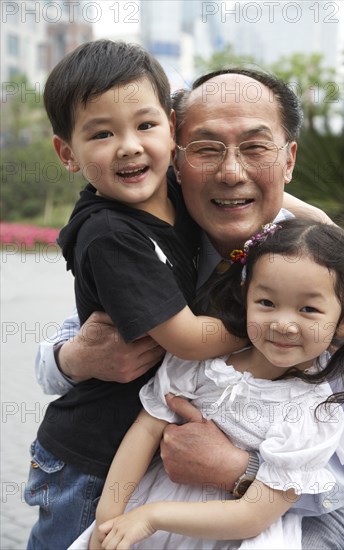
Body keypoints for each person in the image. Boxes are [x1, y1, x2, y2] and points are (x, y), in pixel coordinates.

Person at [31, 68, 344, 548]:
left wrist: (240, 470)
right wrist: (75, 359)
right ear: (178, 158)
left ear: (288, 159)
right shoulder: (150, 233)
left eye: (255, 148)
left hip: (303, 511)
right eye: (207, 149)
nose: (232, 173)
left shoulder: (337, 284)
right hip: (124, 477)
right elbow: (61, 353)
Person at [24, 40, 246, 550]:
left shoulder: (172, 185)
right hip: (88, 462)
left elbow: (255, 185)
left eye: (144, 125)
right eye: (101, 133)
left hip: (140, 453)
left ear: (171, 129)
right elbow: (187, 338)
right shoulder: (110, 235)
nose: (128, 145)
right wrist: (266, 325)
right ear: (67, 154)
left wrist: (313, 219)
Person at [68, 218, 344, 550]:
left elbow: (253, 515)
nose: (284, 324)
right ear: (246, 294)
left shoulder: (314, 414)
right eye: (266, 303)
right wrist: (109, 517)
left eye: (308, 309)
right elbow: (147, 429)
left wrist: (153, 517)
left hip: (221, 534)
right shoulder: (202, 363)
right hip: (142, 520)